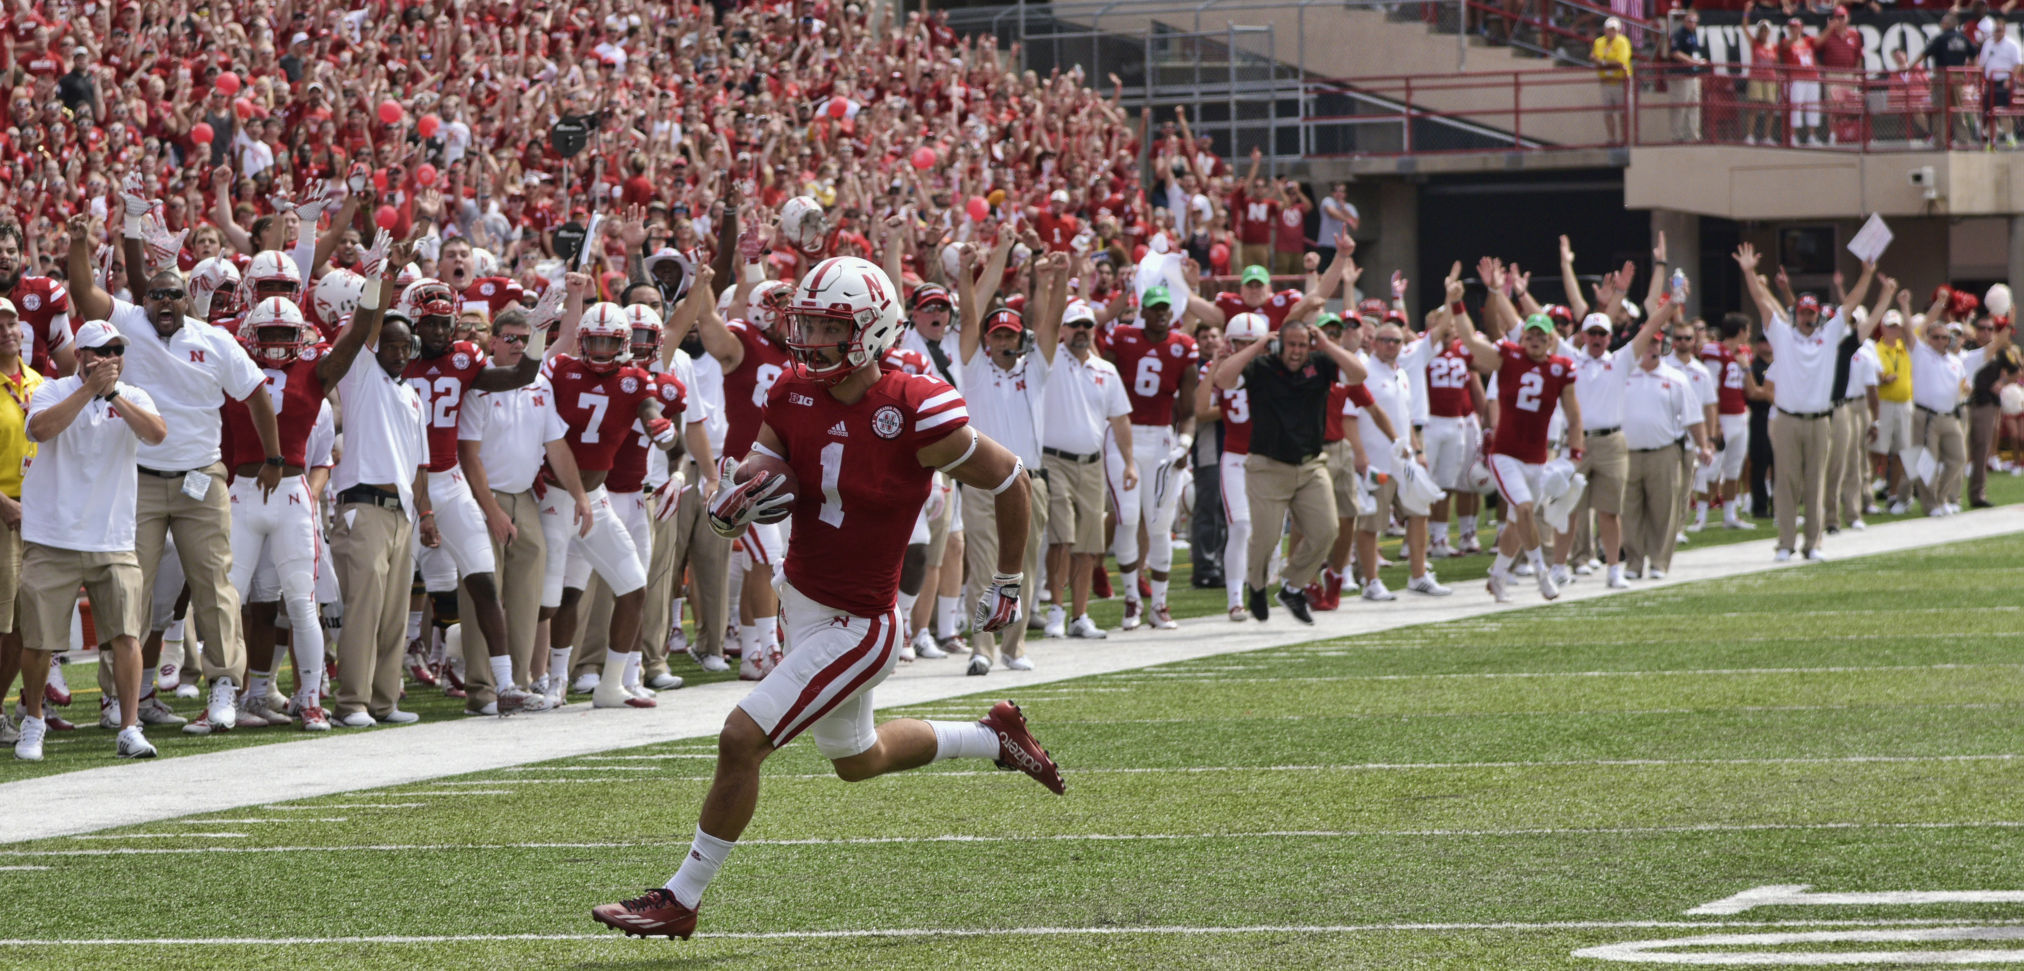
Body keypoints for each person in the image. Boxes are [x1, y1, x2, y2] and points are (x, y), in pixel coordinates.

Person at [590, 256, 1061, 941]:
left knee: (740, 738)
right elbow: (766, 458)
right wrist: (738, 496)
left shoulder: (915, 405)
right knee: (857, 758)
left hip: (860, 622)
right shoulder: (790, 389)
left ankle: (681, 897)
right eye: (803, 322)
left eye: (824, 326)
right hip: (804, 598)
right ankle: (993, 737)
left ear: (868, 332)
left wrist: (1010, 578)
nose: (806, 338)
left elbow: (1011, 477)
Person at [67, 201, 283, 735]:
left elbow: (257, 395)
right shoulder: (130, 324)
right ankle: (120, 699)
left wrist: (273, 455)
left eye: (174, 293)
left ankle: (224, 688)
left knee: (215, 586)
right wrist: (78, 246)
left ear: (190, 299)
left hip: (200, 477)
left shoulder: (216, 340)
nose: (165, 301)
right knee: (127, 591)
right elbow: (84, 295)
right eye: (156, 294)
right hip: (136, 479)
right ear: (144, 301)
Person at [15, 320, 167, 761]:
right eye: (101, 350)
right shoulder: (51, 389)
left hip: (113, 536)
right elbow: (40, 430)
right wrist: (88, 392)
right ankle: (34, 720)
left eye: (118, 349)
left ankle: (129, 726)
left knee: (126, 635)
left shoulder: (133, 395)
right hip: (52, 535)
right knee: (40, 641)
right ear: (80, 356)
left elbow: (157, 434)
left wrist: (113, 394)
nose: (112, 357)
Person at [456, 308, 596, 707]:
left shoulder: (539, 385)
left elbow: (557, 445)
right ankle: (481, 688)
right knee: (482, 593)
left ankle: (516, 684)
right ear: (493, 341)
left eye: (526, 338)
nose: (519, 345)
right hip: (484, 497)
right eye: (512, 338)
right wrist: (492, 511)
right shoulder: (478, 384)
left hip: (525, 497)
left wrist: (580, 495)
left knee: (526, 598)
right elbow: (470, 456)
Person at [328, 239, 439, 727]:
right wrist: (387, 275)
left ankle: (383, 700)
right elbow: (366, 327)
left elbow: (420, 464)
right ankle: (351, 702)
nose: (396, 351)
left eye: (403, 345)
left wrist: (426, 512)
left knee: (394, 615)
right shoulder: (362, 372)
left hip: (401, 513)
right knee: (364, 611)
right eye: (389, 344)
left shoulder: (412, 395)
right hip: (365, 505)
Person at [1211, 311, 1368, 625]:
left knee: (1327, 530)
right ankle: (1255, 586)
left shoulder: (1320, 365)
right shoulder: (1262, 366)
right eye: (1290, 345)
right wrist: (1256, 346)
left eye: (1302, 345)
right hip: (1268, 466)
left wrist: (1325, 344)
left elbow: (1359, 373)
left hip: (1310, 464)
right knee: (1266, 540)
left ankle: (1292, 586)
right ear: (1279, 345)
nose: (1296, 351)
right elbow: (1223, 379)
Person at [957, 243, 1060, 671]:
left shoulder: (1033, 368)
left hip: (1029, 480)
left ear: (1020, 340)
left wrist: (1060, 278)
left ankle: (1015, 647)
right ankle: (983, 648)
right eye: (996, 335)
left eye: (1010, 336)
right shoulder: (975, 367)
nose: (1003, 342)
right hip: (983, 479)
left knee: (1023, 565)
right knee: (982, 561)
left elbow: (1050, 321)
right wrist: (965, 274)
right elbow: (967, 318)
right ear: (987, 340)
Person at [1735, 244, 1874, 560]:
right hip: (1787, 419)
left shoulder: (1829, 336)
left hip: (1820, 419)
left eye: (1811, 313)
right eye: (1802, 312)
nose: (1806, 318)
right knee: (1786, 483)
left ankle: (1813, 543)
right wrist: (1748, 272)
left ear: (1817, 315)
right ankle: (1785, 544)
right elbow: (1761, 302)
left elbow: (1852, 302)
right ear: (1796, 314)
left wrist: (1867, 273)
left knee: (1816, 484)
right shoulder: (1782, 335)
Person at [1465, 263, 1584, 603]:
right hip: (1506, 451)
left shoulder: (1562, 367)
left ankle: (1497, 576)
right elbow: (1482, 338)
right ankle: (1541, 575)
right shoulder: (1511, 358)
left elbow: (1575, 415)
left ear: (1552, 341)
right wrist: (1495, 292)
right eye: (1529, 334)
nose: (1533, 339)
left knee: (1519, 522)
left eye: (1543, 335)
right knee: (1527, 510)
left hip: (1541, 453)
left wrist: (1576, 451)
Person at [1102, 283, 1198, 631]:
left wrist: (1184, 444)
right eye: (1154, 308)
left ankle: (1159, 604)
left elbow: (1188, 411)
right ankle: (1131, 600)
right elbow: (1106, 389)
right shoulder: (1122, 338)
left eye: (1165, 309)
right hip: (1122, 433)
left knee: (1159, 526)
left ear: (1172, 313)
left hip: (1160, 438)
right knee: (1127, 518)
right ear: (1142, 311)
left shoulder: (1183, 347)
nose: (1160, 314)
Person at [1041, 298, 1134, 639]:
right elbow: (1043, 328)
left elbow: (1120, 419)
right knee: (1062, 540)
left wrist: (1129, 462)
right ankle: (1054, 610)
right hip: (1053, 460)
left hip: (1092, 464)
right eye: (1075, 325)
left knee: (1088, 545)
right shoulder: (1048, 361)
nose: (1081, 331)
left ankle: (1079, 616)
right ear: (1062, 330)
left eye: (1087, 325)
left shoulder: (1106, 371)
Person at [1351, 315, 1450, 600]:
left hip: (1403, 461)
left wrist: (1416, 450)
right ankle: (1371, 581)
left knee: (1419, 513)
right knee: (1372, 523)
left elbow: (1405, 418)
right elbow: (1351, 417)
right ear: (1373, 343)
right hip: (1377, 459)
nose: (1391, 346)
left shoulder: (1402, 374)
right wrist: (1360, 454)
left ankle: (1418, 575)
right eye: (1385, 340)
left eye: (1396, 341)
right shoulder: (1363, 371)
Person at [1620, 302, 1713, 578]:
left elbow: (1693, 416)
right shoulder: (1624, 374)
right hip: (1628, 451)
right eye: (1647, 343)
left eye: (1656, 343)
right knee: (1630, 511)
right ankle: (1634, 563)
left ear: (1662, 346)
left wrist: (1703, 445)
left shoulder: (1676, 378)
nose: (1651, 348)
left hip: (1664, 451)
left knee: (1664, 510)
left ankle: (1659, 562)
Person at [1909, 303, 2012, 514]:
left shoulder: (1957, 361)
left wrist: (2009, 319)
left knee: (1958, 458)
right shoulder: (1922, 354)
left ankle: (1943, 497)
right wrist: (1938, 303)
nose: (1942, 341)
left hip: (1952, 414)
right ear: (1929, 339)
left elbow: (1990, 350)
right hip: (1926, 414)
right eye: (1937, 337)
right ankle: (1930, 504)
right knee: (1926, 462)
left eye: (1946, 337)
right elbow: (1917, 331)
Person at [0, 301, 42, 748]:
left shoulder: (39, 383)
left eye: (11, 321)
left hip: (37, 513)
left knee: (25, 624)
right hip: (4, 509)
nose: (6, 330)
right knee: (3, 622)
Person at [1593, 17, 1634, 144]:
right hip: (1606, 82)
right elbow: (1595, 59)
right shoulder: (1599, 42)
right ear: (1604, 30)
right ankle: (1611, 138)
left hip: (1621, 81)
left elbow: (1620, 62)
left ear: (1618, 30)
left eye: (1613, 30)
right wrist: (1606, 62)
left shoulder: (1623, 42)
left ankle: (1624, 139)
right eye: (1609, 30)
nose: (1611, 32)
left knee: (1623, 112)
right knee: (1608, 113)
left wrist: (1603, 62)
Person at [1669, 9, 1708, 142]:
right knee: (1680, 107)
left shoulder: (1694, 35)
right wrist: (1692, 61)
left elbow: (1696, 54)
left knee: (1695, 106)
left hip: (1693, 76)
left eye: (1694, 22)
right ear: (1684, 21)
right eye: (1689, 21)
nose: (1692, 24)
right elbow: (1674, 52)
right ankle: (1677, 136)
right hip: (1682, 76)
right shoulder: (1679, 34)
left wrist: (1697, 66)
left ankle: (1693, 136)